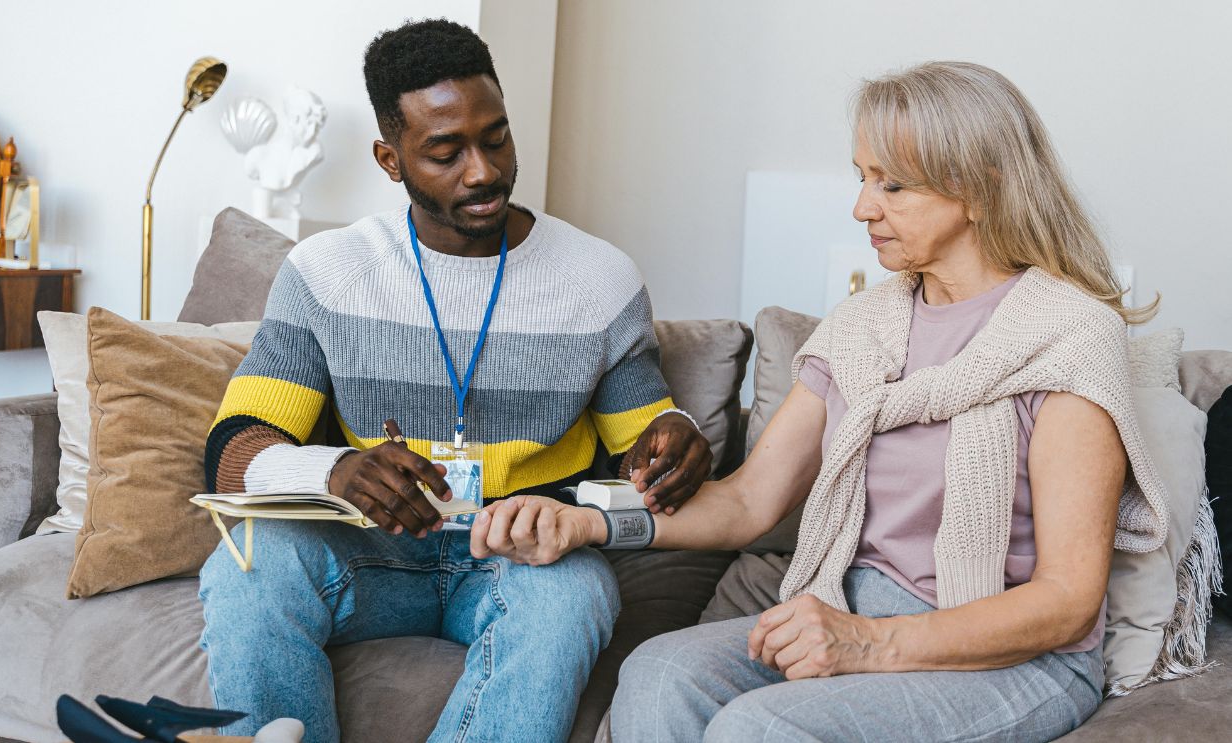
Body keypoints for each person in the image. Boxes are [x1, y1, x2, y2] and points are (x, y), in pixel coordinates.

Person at [469, 61, 1172, 741]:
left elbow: (1066, 600)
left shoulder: (1067, 337)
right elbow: (748, 501)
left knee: (760, 727)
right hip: (853, 606)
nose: (862, 207)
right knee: (656, 671)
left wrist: (868, 643)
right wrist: (582, 520)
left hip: (1013, 654)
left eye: (892, 185)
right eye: (862, 177)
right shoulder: (861, 328)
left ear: (980, 190)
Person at [197, 19, 711, 743]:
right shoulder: (326, 272)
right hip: (370, 549)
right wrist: (339, 470)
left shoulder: (598, 279)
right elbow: (231, 449)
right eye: (445, 151)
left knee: (576, 591)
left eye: (495, 137)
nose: (482, 171)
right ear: (389, 157)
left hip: (519, 554)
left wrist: (677, 437)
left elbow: (645, 449)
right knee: (249, 561)